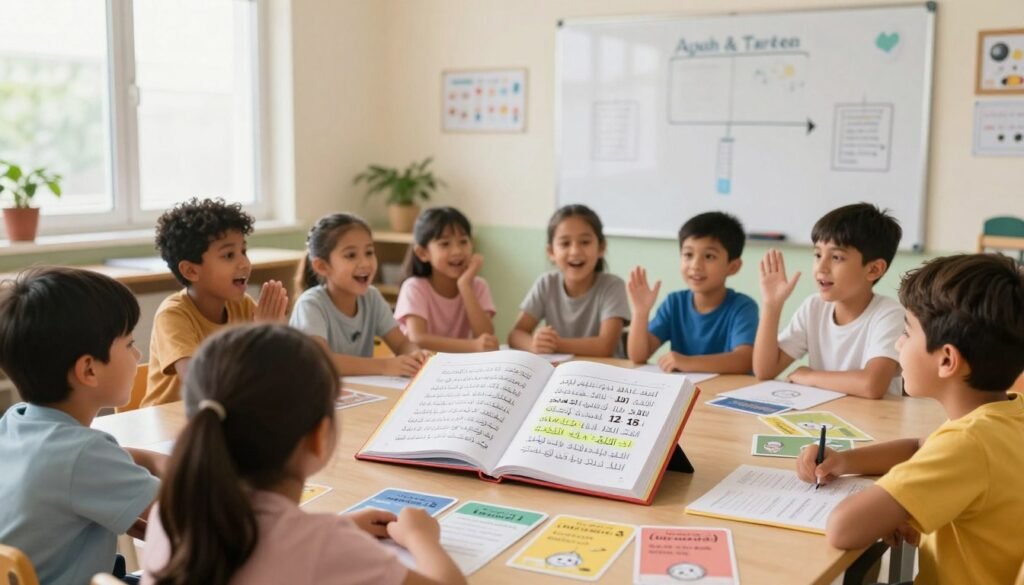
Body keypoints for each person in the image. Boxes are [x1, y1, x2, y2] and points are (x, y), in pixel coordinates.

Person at [142, 324, 466, 585]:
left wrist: (339, 526)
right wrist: (421, 538)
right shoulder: (324, 547)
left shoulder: (171, 512)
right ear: (318, 436)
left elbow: (269, 543)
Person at [797, 253, 1024, 585]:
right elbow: (920, 447)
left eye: (907, 332)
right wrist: (845, 460)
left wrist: (895, 504)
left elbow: (843, 529)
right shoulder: (1006, 415)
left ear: (947, 359)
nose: (898, 343)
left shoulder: (967, 444)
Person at [0, 268, 164, 585]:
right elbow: (190, 506)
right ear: (89, 370)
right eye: (130, 344)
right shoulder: (84, 454)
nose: (139, 353)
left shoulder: (15, 422)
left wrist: (154, 461)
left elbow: (108, 461)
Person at [143, 197, 288, 406]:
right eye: (229, 255)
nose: (244, 264)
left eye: (244, 251)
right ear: (191, 270)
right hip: (171, 425)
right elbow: (200, 384)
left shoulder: (243, 305)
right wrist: (259, 337)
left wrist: (275, 336)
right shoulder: (173, 314)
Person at [754, 203, 904, 398]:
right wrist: (772, 305)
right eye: (817, 255)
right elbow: (765, 370)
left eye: (836, 257)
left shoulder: (889, 314)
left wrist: (810, 376)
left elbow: (871, 386)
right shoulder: (813, 307)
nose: (821, 267)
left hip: (876, 422)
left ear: (873, 269)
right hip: (827, 417)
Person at [291, 213, 429, 376]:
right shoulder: (311, 304)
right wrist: (384, 366)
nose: (365, 263)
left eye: (369, 252)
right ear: (322, 266)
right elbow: (320, 360)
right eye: (351, 255)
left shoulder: (372, 297)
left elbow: (401, 344)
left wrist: (415, 355)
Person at [628, 211, 758, 373]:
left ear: (733, 267)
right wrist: (640, 312)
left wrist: (687, 362)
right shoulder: (674, 303)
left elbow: (744, 360)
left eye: (709, 256)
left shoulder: (743, 307)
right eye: (688, 254)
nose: (696, 265)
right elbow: (638, 356)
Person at [508, 204, 630, 357]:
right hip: (562, 374)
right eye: (565, 243)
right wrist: (534, 344)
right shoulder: (546, 283)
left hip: (605, 374)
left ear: (601, 248)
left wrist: (555, 344)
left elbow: (605, 346)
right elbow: (516, 334)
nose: (575, 251)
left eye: (585, 242)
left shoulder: (612, 286)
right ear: (551, 252)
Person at [394, 207, 497, 353]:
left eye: (463, 241)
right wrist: (472, 346)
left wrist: (465, 286)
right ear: (422, 253)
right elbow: (417, 339)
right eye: (445, 244)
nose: (457, 251)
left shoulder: (478, 286)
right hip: (422, 366)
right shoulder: (414, 287)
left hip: (458, 367)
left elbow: (485, 336)